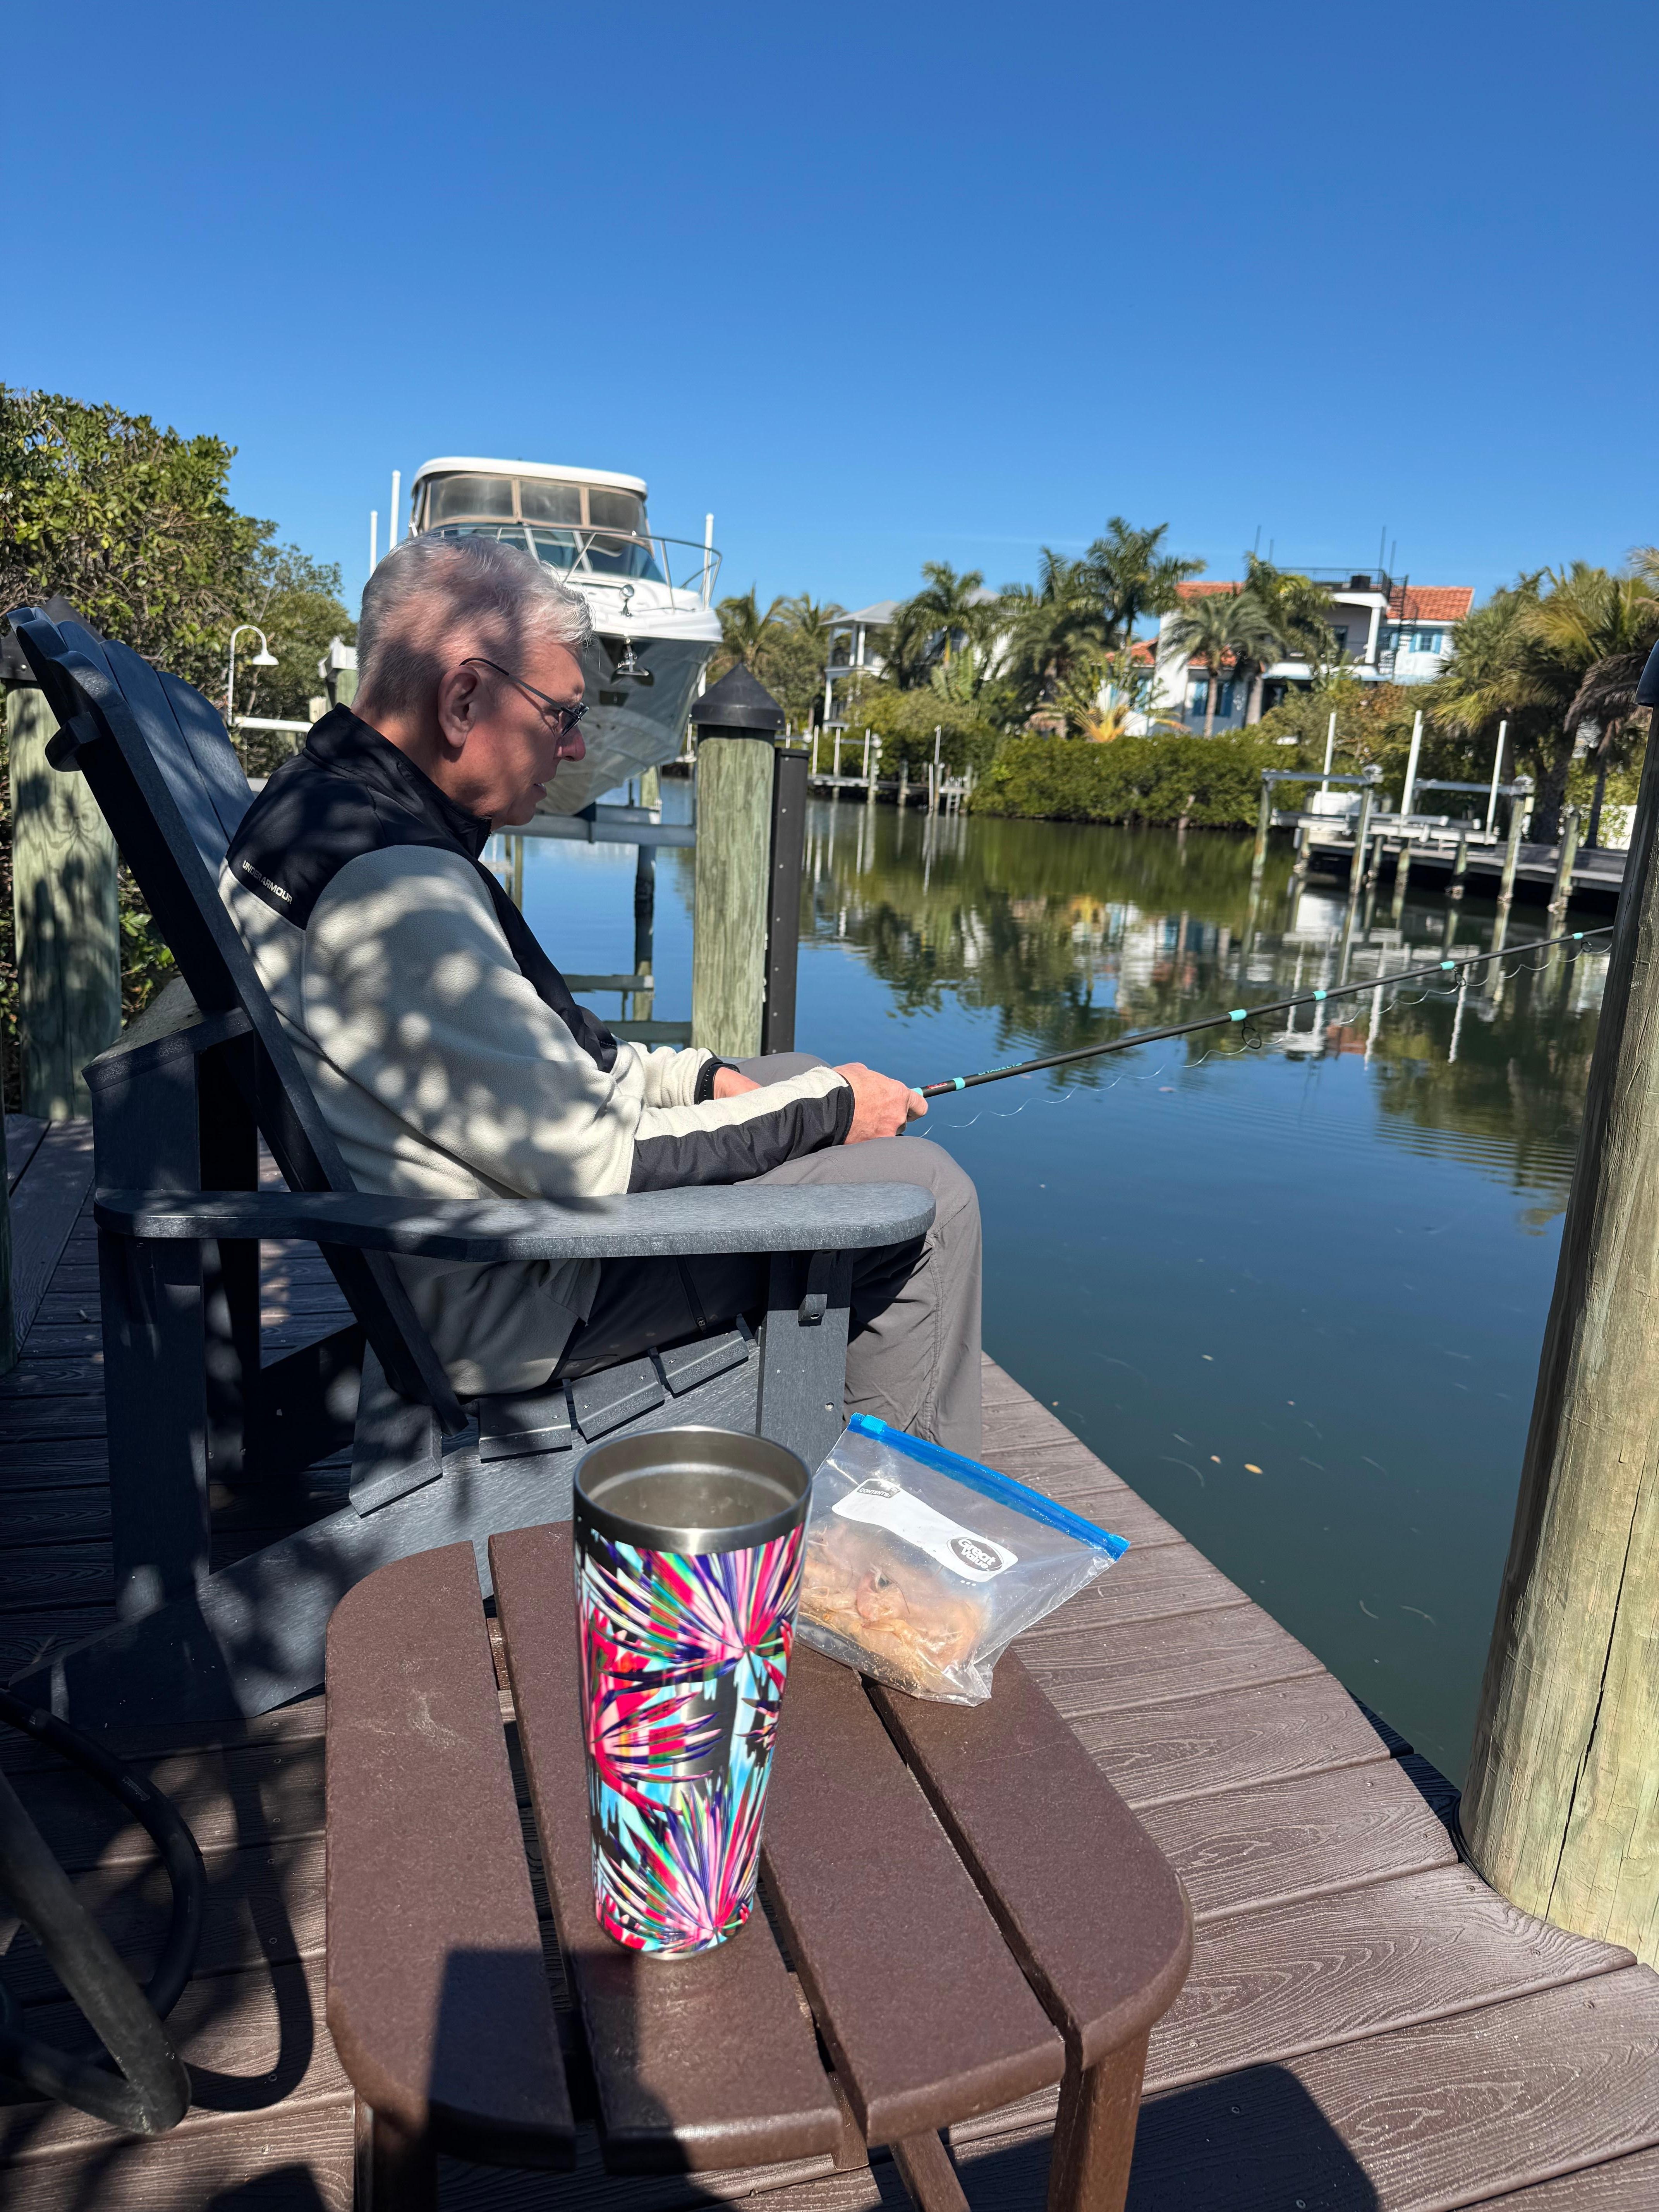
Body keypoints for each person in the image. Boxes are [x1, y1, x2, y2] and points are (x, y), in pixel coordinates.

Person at [220, 532, 982, 1452]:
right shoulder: (394, 889)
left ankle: (831, 1442)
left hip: (482, 1234)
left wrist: (709, 1081)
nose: (575, 744)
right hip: (522, 1292)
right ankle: (889, 1545)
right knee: (926, 1196)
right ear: (464, 698)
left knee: (787, 1072)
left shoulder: (343, 812)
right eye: (559, 712)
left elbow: (576, 1059)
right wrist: (826, 1107)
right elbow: (597, 1167)